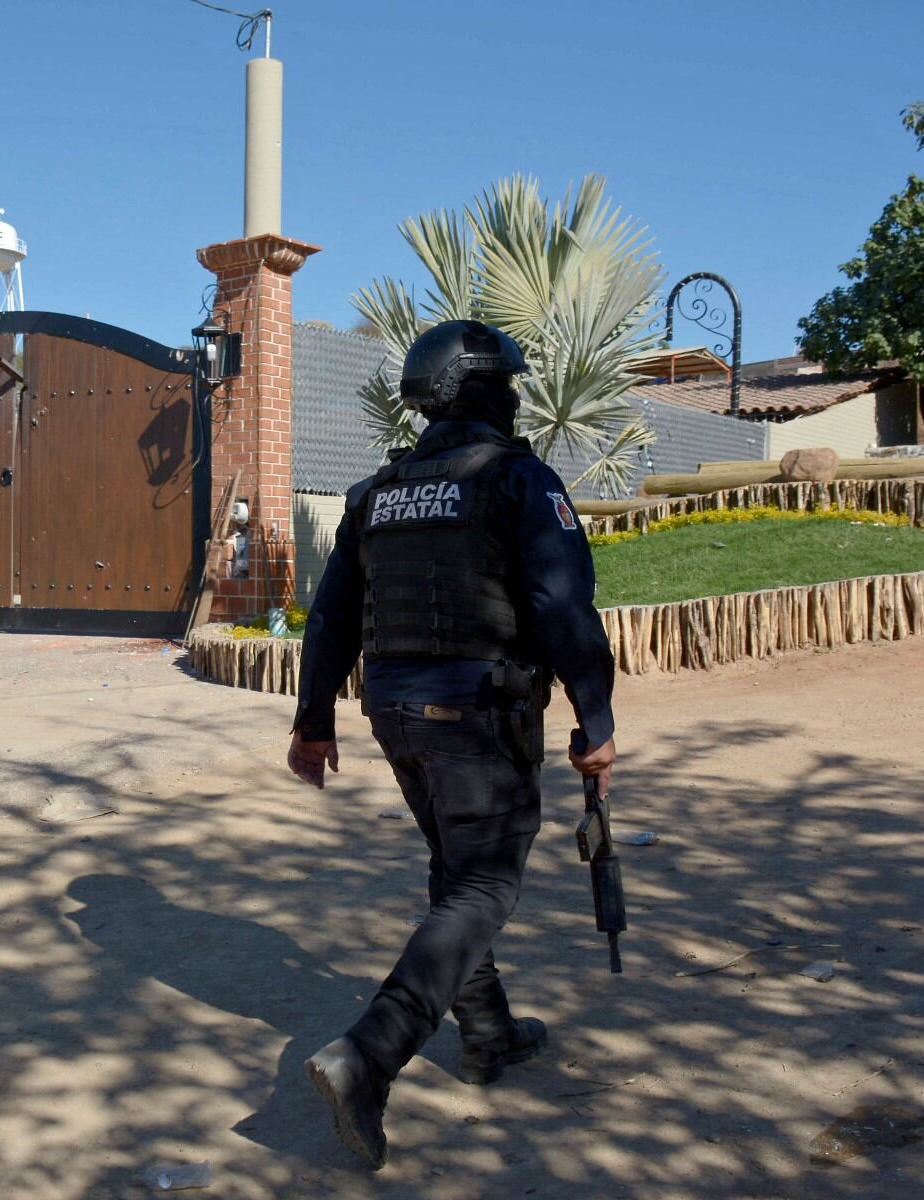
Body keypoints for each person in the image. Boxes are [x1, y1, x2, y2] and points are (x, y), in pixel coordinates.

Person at [288, 320, 618, 1168]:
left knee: (455, 869)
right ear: (479, 389)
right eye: (505, 383)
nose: (514, 396)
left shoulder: (378, 492)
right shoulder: (517, 478)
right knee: (483, 886)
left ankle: (489, 1034)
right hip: (479, 715)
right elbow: (561, 609)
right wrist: (597, 721)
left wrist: (313, 722)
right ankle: (369, 1054)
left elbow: (329, 618)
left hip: (395, 716)